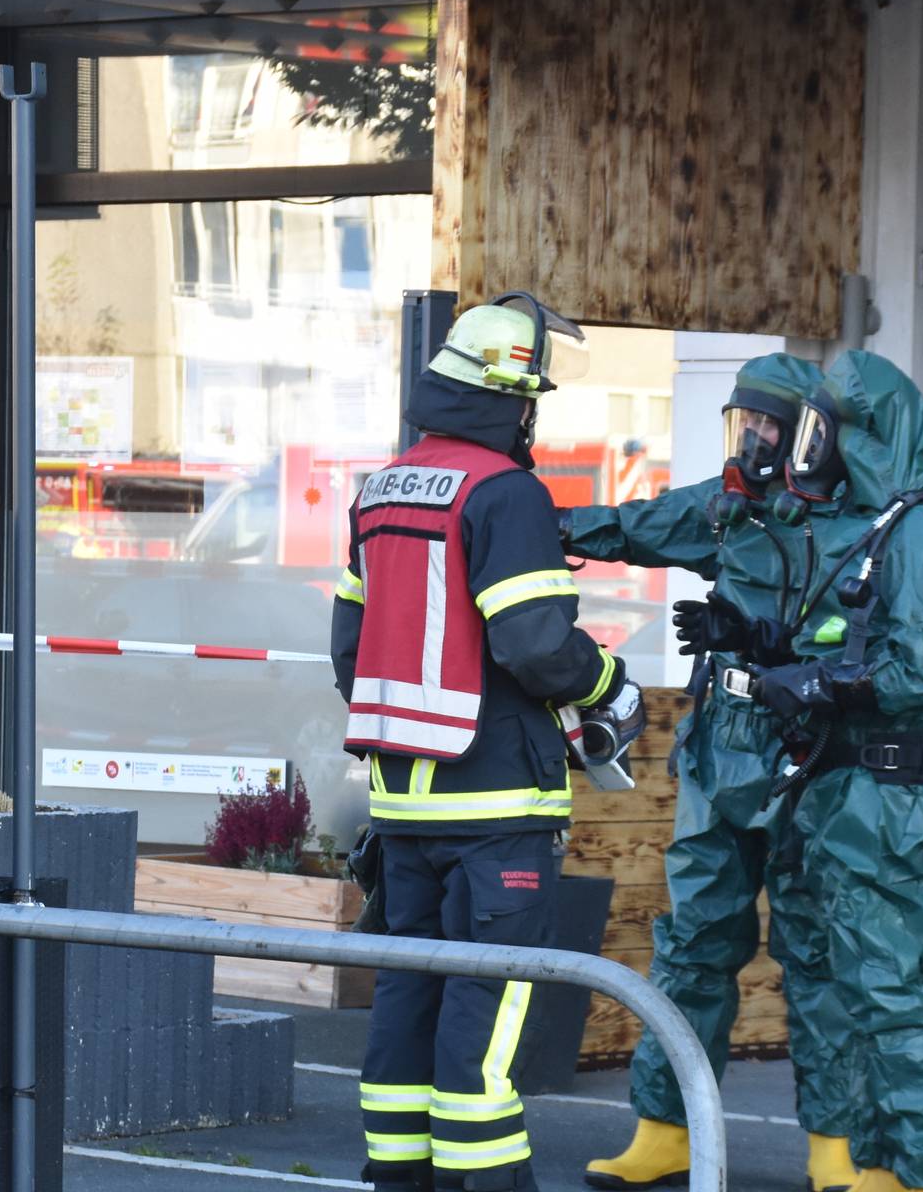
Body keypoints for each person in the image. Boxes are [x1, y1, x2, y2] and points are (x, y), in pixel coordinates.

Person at [333, 293, 645, 1192]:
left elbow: (350, 652)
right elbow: (536, 644)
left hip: (402, 807)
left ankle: (398, 1177)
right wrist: (607, 686)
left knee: (408, 994)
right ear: (515, 399)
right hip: (497, 801)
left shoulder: (384, 485)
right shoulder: (505, 493)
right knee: (488, 1006)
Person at [565, 355, 868, 1192]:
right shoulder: (724, 511)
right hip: (722, 740)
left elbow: (873, 650)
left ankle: (835, 1152)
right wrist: (532, 523)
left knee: (816, 954)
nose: (757, 441)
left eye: (772, 425)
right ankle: (664, 1130)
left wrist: (772, 641)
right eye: (746, 424)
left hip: (814, 754)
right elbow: (629, 525)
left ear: (815, 432)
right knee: (694, 944)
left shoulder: (861, 525)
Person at [751, 350, 923, 1192]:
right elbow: (852, 642)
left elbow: (921, 673)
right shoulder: (884, 525)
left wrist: (817, 685)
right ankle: (888, 1166)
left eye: (825, 428)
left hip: (890, 803)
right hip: (850, 797)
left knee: (897, 1001)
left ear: (868, 432)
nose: (810, 447)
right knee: (858, 1001)